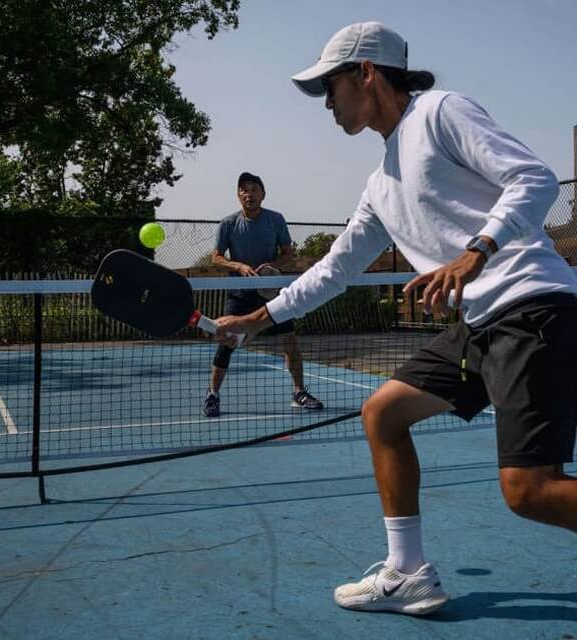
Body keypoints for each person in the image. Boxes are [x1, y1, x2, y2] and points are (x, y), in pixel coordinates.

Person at [214, 22, 577, 615]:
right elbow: (335, 269)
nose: (327, 103)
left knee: (530, 492)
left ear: (366, 73)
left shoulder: (440, 112)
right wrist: (261, 315)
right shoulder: (381, 182)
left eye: (330, 87)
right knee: (383, 412)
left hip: (531, 307)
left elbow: (533, 178)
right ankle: (407, 572)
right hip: (481, 324)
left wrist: (476, 250)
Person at [201, 171, 323, 417]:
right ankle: (212, 395)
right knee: (226, 345)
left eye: (254, 189)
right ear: (238, 195)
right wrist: (239, 266)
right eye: (244, 190)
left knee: (290, 341)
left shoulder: (276, 220)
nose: (249, 194)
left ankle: (299, 392)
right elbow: (216, 257)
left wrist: (274, 267)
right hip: (240, 294)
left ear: (263, 194)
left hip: (272, 293)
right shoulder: (228, 224)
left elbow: (288, 254)